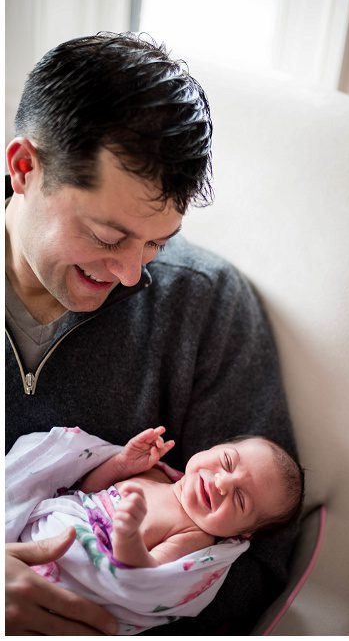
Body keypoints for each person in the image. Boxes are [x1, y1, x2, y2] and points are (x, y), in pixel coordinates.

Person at [5, 33, 300, 635]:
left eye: (157, 243)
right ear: (24, 169)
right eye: (109, 238)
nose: (132, 275)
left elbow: (256, 561)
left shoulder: (206, 306)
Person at [9, 426, 304, 633]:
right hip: (38, 534)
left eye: (240, 499)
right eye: (227, 462)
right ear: (214, 447)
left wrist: (129, 538)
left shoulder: (194, 536)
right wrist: (122, 462)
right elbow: (86, 489)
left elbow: (146, 575)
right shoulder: (155, 473)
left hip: (70, 582)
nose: (222, 483)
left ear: (243, 533)